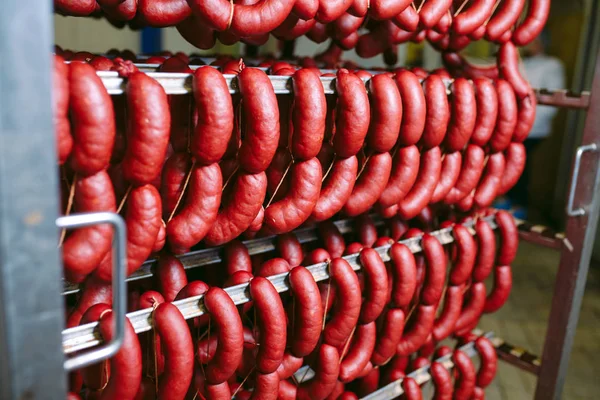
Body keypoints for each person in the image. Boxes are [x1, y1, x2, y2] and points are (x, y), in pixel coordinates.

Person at [499, 30, 566, 218]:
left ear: (542, 43)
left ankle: (519, 206)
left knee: (519, 165)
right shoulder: (522, 63)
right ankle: (509, 202)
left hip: (534, 129)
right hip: (512, 125)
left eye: (533, 40)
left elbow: (552, 101)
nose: (529, 43)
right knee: (511, 163)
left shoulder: (552, 65)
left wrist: (527, 121)